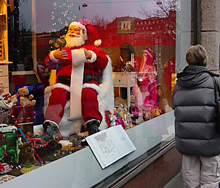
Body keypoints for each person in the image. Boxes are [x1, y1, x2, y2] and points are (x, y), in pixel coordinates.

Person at [44, 18, 108, 135]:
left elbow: (103, 62)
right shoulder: (63, 50)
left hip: (86, 82)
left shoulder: (92, 49)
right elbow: (49, 64)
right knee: (57, 94)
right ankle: (51, 125)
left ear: (84, 34)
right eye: (71, 30)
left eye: (76, 30)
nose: (72, 32)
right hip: (65, 84)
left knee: (89, 94)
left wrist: (90, 56)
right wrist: (53, 56)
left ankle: (92, 124)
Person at [172, 44, 220, 187]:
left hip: (187, 142)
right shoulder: (214, 82)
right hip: (211, 142)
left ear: (188, 61)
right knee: (210, 181)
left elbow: (176, 108)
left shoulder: (178, 85)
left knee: (190, 180)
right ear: (205, 60)